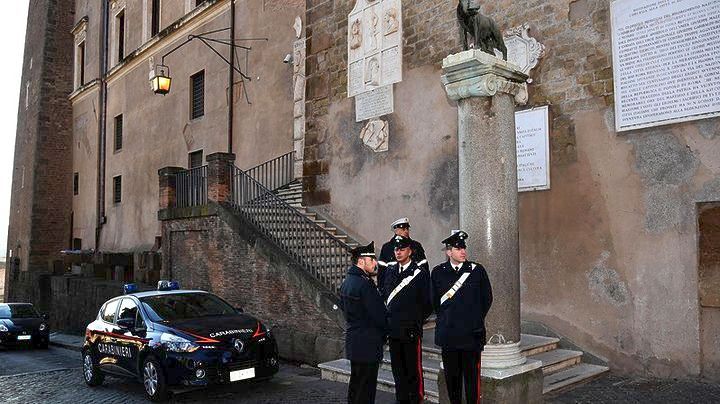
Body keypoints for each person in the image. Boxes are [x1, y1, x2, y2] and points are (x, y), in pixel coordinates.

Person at [430, 231, 493, 404]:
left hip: (471, 336)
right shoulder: (438, 272)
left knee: (472, 382)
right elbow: (434, 301)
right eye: (458, 248)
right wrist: (448, 319)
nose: (463, 251)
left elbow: (487, 298)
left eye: (464, 247)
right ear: (448, 252)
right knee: (452, 380)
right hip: (449, 336)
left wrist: (473, 319)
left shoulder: (477, 270)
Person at [382, 235, 432, 404]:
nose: (398, 252)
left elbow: (427, 302)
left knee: (413, 371)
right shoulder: (390, 271)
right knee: (398, 371)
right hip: (394, 330)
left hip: (411, 330)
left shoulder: (419, 274)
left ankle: (416, 400)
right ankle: (401, 400)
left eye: (402, 249)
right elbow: (386, 295)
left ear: (410, 251)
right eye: (396, 249)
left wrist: (416, 321)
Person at [340, 241, 388, 404]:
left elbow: (344, 310)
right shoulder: (365, 284)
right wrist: (385, 333)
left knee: (356, 386)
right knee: (366, 390)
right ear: (361, 261)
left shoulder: (347, 282)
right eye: (372, 260)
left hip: (355, 342)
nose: (375, 263)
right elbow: (379, 315)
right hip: (368, 344)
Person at [378, 217, 427, 290]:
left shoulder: (416, 246)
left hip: (413, 289)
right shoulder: (387, 248)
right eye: (403, 229)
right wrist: (383, 292)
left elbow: (425, 270)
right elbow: (382, 273)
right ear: (396, 231)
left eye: (407, 229)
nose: (406, 231)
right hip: (392, 290)